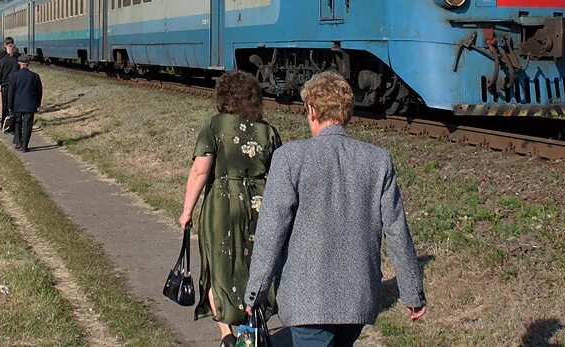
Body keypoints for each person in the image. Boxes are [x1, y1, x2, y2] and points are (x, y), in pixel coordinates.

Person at [243, 72, 426, 347]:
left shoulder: (290, 158)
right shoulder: (377, 160)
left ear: (313, 111)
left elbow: (271, 231)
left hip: (307, 299)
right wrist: (412, 294)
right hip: (357, 300)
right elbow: (397, 231)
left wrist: (254, 293)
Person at [178, 70, 282, 344]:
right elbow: (281, 177)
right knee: (255, 267)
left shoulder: (214, 126)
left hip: (221, 206)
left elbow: (200, 172)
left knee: (218, 266)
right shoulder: (268, 131)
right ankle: (252, 329)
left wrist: (187, 211)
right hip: (259, 205)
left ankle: (226, 333)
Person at [7, 55, 42, 151]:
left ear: (19, 63)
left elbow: (11, 92)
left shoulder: (14, 76)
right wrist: (37, 103)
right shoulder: (35, 76)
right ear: (28, 64)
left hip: (17, 104)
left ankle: (18, 141)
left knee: (17, 123)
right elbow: (39, 91)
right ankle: (24, 146)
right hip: (30, 105)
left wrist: (9, 105)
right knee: (27, 125)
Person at [0, 43, 19, 129]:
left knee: (5, 106)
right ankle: (13, 124)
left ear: (6, 50)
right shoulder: (16, 61)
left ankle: (4, 124)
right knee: (13, 105)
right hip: (15, 86)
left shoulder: (2, 61)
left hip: (5, 86)